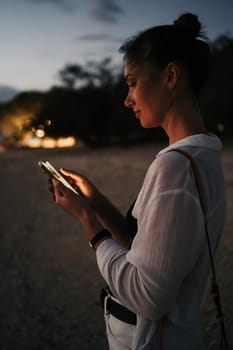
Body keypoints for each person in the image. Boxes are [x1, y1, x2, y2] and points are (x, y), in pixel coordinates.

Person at [47, 13, 226, 350]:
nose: (127, 99)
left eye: (132, 82)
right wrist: (94, 200)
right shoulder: (203, 158)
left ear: (170, 76)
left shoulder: (175, 168)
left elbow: (148, 296)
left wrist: (87, 222)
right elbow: (144, 246)